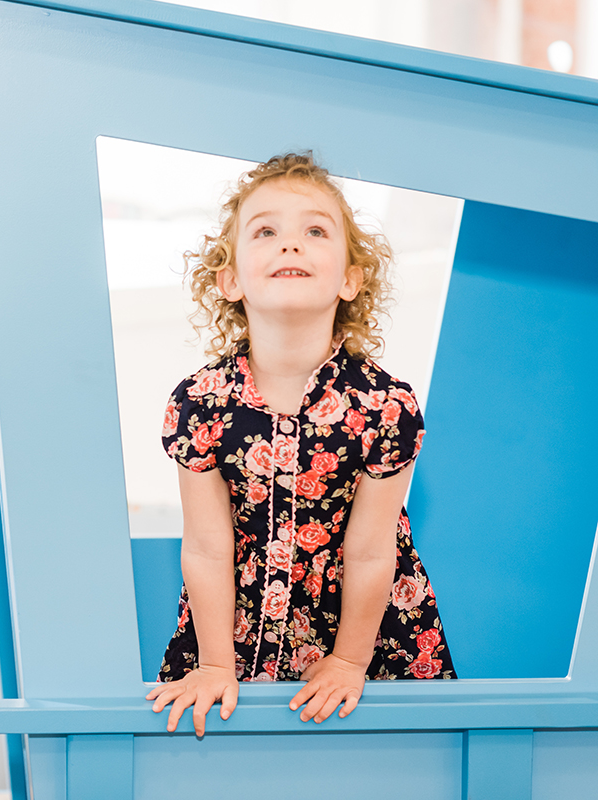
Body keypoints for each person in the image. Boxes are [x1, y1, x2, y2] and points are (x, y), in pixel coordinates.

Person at [147, 152, 455, 737]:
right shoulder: (200, 402)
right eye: (266, 231)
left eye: (315, 230)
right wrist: (213, 662)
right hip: (231, 638)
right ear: (230, 280)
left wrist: (349, 661)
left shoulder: (383, 406)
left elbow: (370, 550)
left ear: (350, 279)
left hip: (366, 641)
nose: (291, 244)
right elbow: (209, 547)